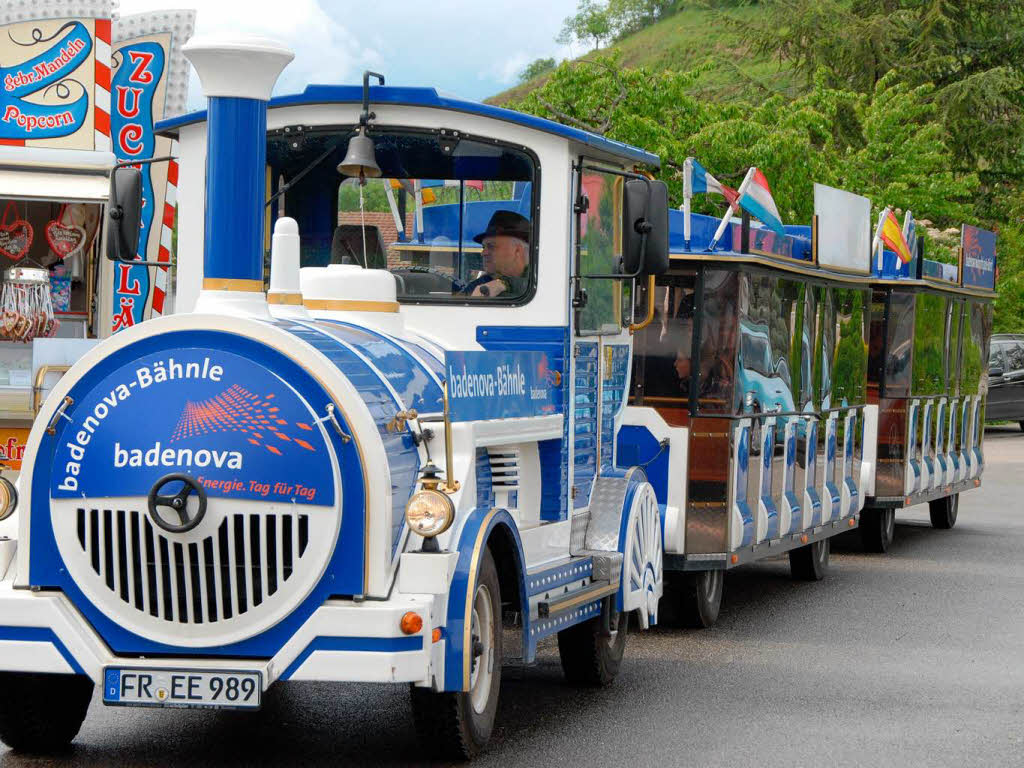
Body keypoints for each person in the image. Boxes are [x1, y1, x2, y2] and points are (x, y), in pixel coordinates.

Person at [463, 210, 531, 297]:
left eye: (491, 246)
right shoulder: (481, 284)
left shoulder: (540, 278)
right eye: (483, 247)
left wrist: (504, 283)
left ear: (517, 250)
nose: (483, 253)